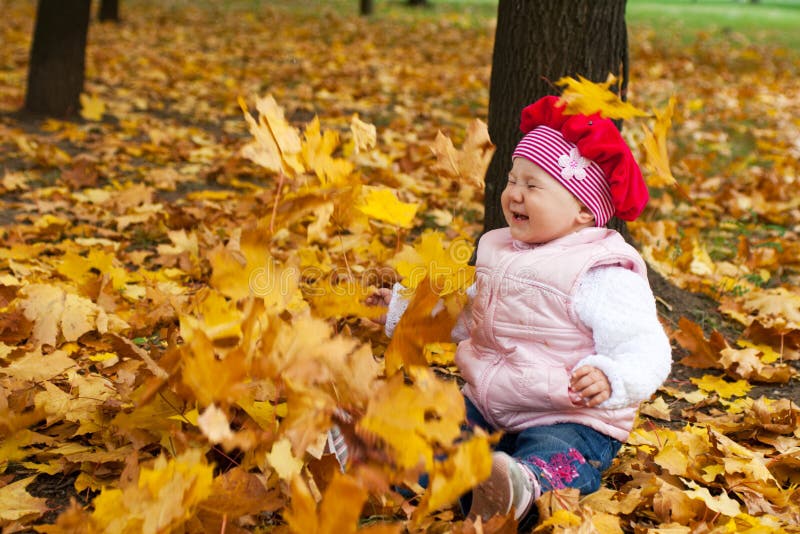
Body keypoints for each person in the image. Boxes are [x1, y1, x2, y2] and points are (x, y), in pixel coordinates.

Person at [368, 95, 672, 527]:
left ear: (585, 209)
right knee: (439, 427)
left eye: (533, 185)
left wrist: (612, 375)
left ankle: (524, 488)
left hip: (571, 415)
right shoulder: (499, 249)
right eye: (512, 179)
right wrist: (404, 309)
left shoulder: (600, 271)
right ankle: (407, 471)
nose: (514, 194)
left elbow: (645, 344)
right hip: (489, 406)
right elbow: (471, 313)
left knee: (558, 457)